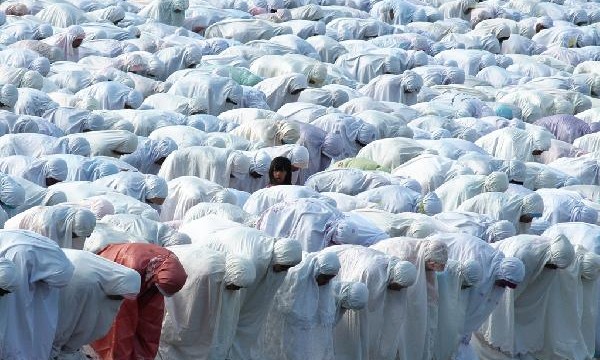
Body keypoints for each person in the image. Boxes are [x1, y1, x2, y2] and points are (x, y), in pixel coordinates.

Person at [90, 243, 188, 360]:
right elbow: (123, 321)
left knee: (149, 320)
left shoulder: (167, 266)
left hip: (146, 273)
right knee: (119, 324)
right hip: (120, 269)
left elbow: (150, 320)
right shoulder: (130, 271)